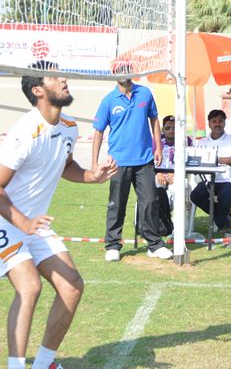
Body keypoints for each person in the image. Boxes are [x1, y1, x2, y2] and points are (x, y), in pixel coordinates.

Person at [0, 62, 117, 369]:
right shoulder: (24, 133)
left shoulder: (69, 127)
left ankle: (43, 364)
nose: (63, 79)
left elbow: (67, 167)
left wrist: (92, 176)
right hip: (6, 220)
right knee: (30, 287)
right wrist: (23, 222)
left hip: (34, 223)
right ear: (38, 91)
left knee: (72, 286)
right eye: (54, 77)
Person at [92, 67, 172, 261]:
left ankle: (154, 244)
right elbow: (98, 132)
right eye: (122, 74)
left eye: (128, 73)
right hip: (118, 162)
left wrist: (158, 149)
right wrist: (94, 163)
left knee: (150, 202)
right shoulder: (108, 101)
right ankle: (113, 245)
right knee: (116, 204)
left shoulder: (144, 93)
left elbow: (154, 119)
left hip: (144, 160)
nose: (126, 77)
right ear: (116, 76)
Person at [190, 109, 231, 235]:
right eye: (214, 121)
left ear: (224, 123)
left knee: (225, 195)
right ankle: (224, 221)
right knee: (195, 195)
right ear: (209, 124)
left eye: (220, 121)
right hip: (207, 180)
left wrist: (211, 159)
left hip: (228, 180)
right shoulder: (201, 142)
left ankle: (221, 221)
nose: (217, 124)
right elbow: (196, 162)